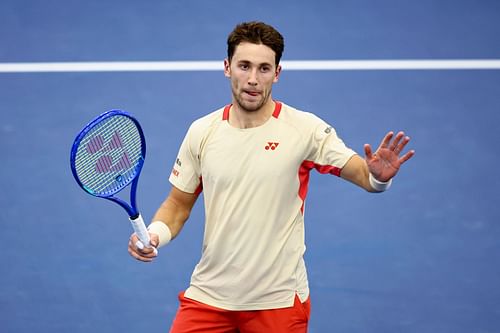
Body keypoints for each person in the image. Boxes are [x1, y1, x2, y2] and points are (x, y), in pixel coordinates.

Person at [128, 21, 415, 333]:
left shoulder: (305, 130)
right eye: (244, 66)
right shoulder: (202, 132)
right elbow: (178, 205)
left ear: (277, 73)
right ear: (227, 68)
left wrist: (378, 178)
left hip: (278, 302)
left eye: (264, 69)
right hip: (209, 296)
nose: (253, 79)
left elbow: (363, 175)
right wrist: (155, 233)